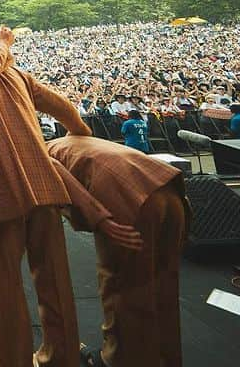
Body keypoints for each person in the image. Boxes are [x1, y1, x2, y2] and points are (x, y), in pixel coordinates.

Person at [0, 24, 91, 367]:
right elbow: (62, 105)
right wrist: (82, 134)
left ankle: (15, 360)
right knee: (55, 279)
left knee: (4, 287)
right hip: (43, 185)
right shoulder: (17, 74)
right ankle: (62, 355)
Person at [47, 135, 190, 367]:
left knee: (121, 285)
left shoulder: (35, 154)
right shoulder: (70, 141)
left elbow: (54, 170)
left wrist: (100, 219)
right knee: (163, 285)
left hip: (128, 202)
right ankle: (166, 358)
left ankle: (115, 359)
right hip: (168, 190)